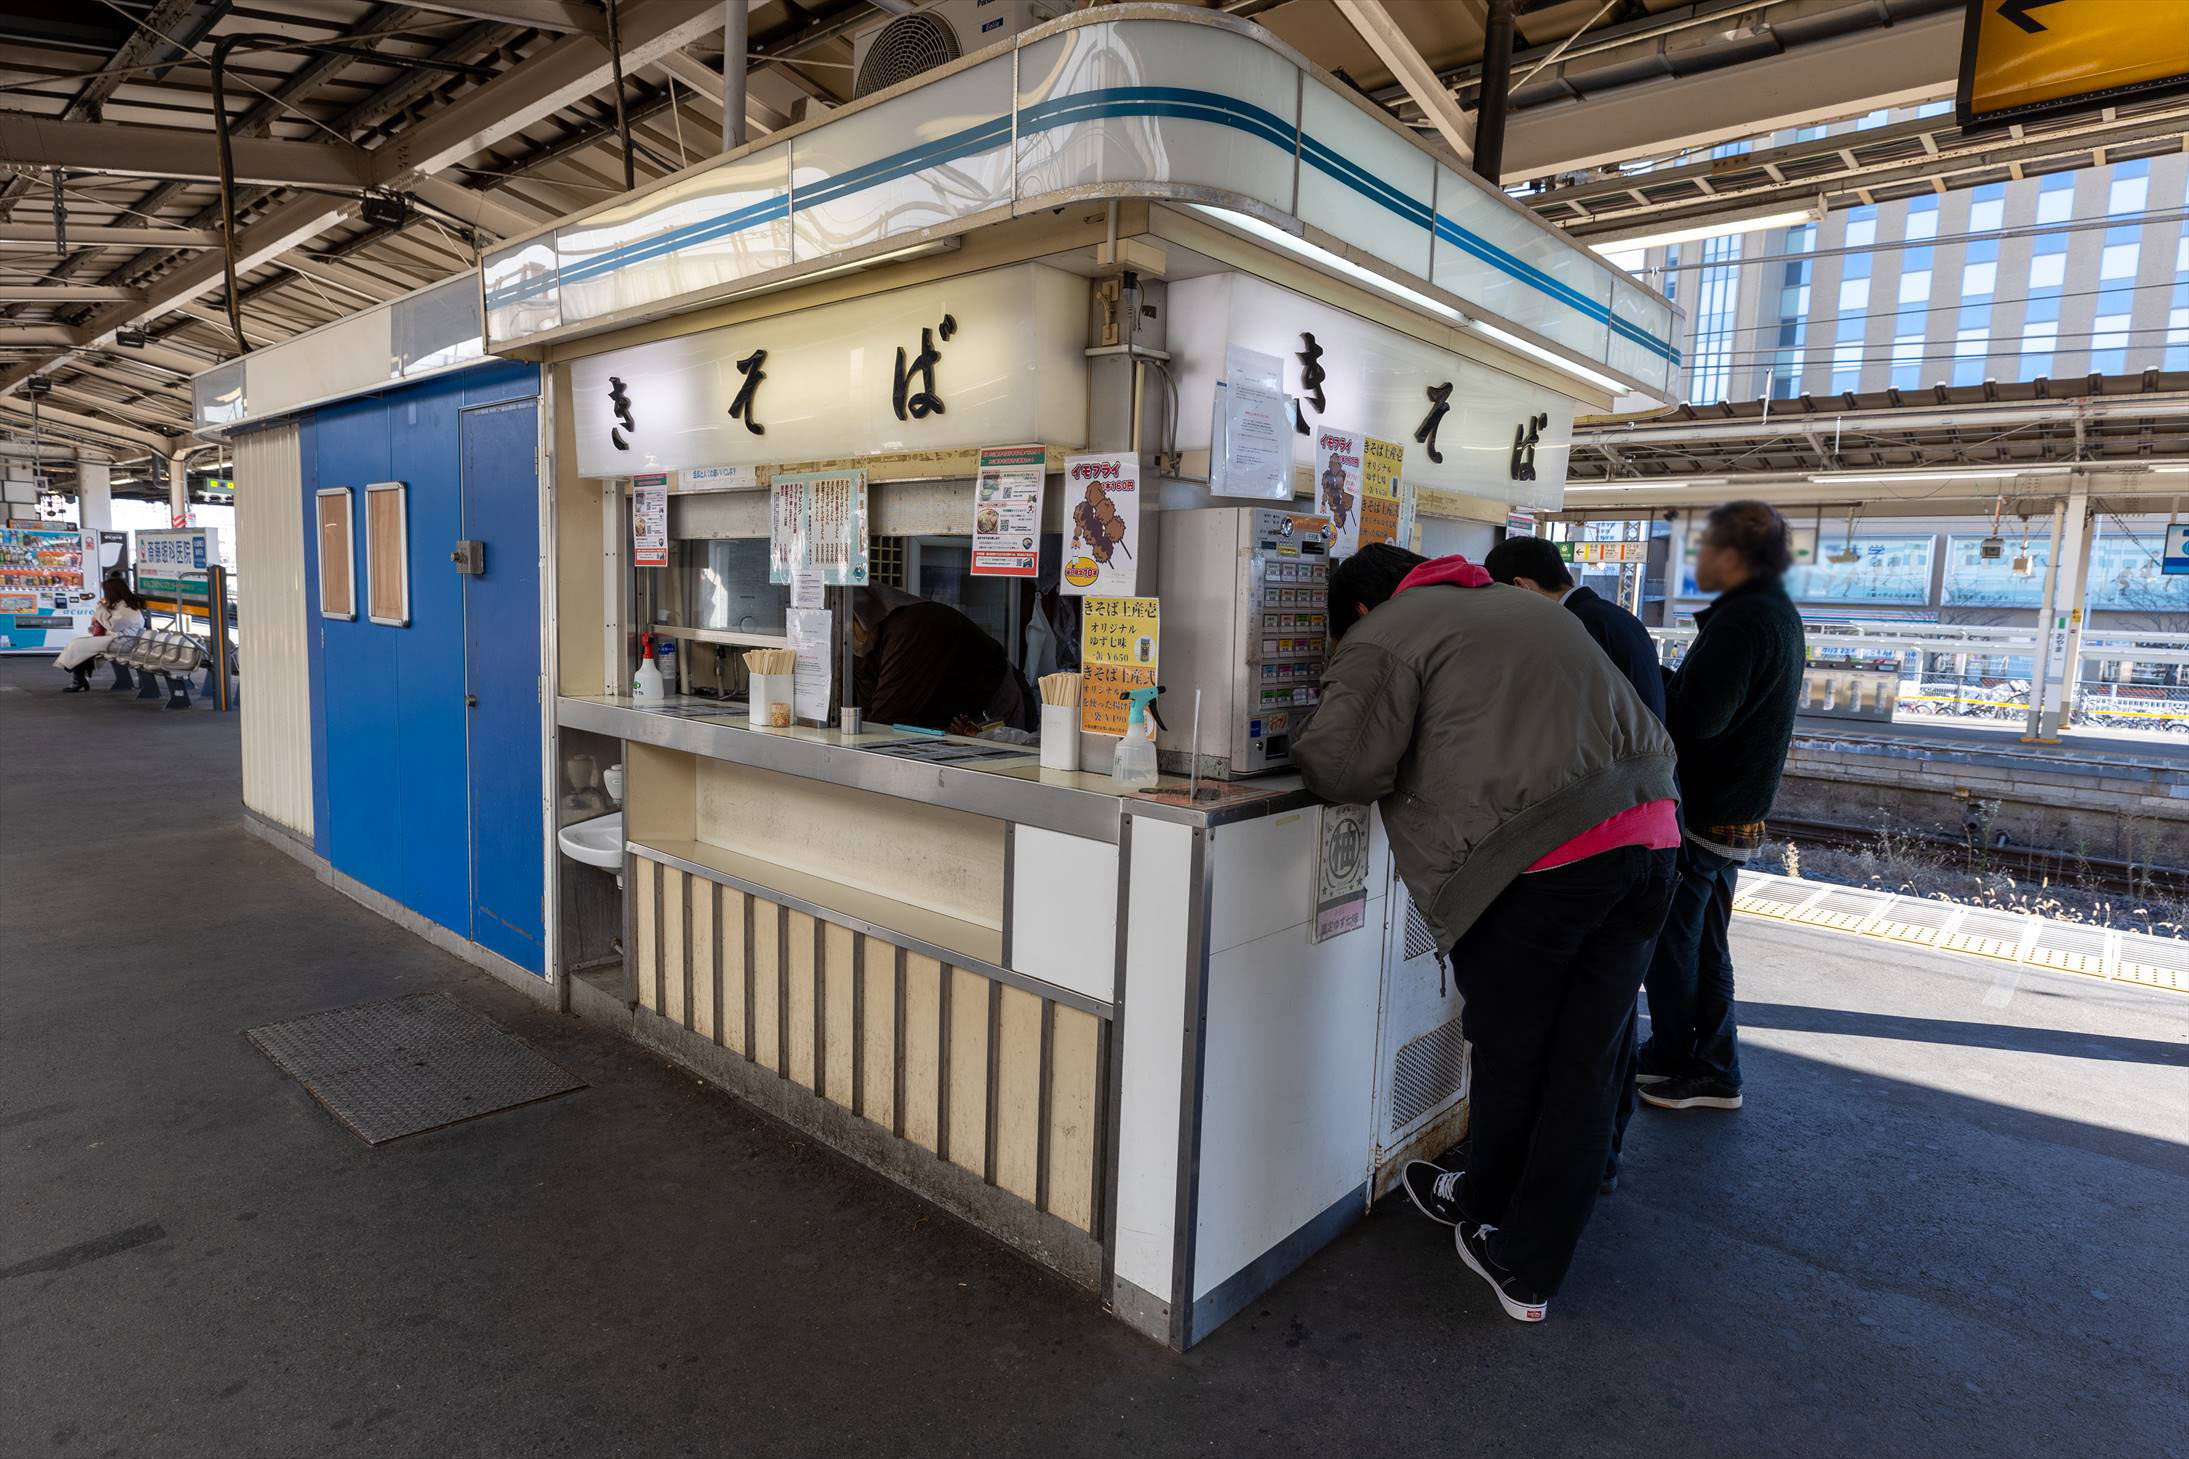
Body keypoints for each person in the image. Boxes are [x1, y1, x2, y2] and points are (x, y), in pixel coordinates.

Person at [1293, 544, 1679, 1324]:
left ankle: (1506, 1234)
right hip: (1653, 840)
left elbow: (1341, 767)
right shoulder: (1522, 606)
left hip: (1543, 863)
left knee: (1513, 1054)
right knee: (1584, 1063)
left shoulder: (1388, 630)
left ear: (1361, 609)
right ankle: (1509, 1233)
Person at [1484, 533, 1669, 1191]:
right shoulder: (1615, 620)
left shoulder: (1577, 629)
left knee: (1573, 1032)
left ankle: (1568, 1170)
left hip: (1600, 844)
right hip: (1650, 834)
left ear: (1521, 587)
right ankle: (1601, 1157)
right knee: (1607, 1023)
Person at [1635, 501, 1806, 1114]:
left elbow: (1699, 719)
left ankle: (1701, 1067)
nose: (1697, 559)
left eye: (1705, 548)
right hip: (1737, 809)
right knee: (1705, 945)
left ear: (1733, 556)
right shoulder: (1775, 612)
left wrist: (1647, 676)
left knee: (1677, 947)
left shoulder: (1743, 621)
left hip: (1708, 810)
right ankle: (1693, 1058)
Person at [850, 586, 1033, 732]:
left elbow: (886, 717)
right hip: (946, 721)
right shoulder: (861, 644)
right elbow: (867, 713)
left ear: (862, 617)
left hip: (992, 709)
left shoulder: (913, 626)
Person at [53, 576, 146, 692]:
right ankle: (78, 676)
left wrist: (100, 608)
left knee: (78, 645)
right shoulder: (122, 605)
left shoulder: (128, 609)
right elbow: (110, 622)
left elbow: (113, 626)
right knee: (80, 645)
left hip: (123, 642)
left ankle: (76, 674)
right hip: (116, 639)